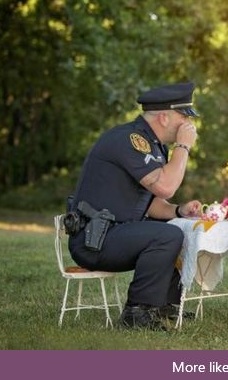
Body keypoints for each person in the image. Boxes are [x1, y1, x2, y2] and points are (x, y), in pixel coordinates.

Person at [67, 82, 202, 330]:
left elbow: (149, 202)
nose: (188, 126)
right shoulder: (130, 140)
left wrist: (178, 211)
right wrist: (183, 146)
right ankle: (137, 313)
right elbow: (166, 187)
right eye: (184, 118)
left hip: (113, 232)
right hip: (93, 239)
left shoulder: (151, 143)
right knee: (167, 236)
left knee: (176, 226)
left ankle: (164, 304)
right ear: (164, 117)